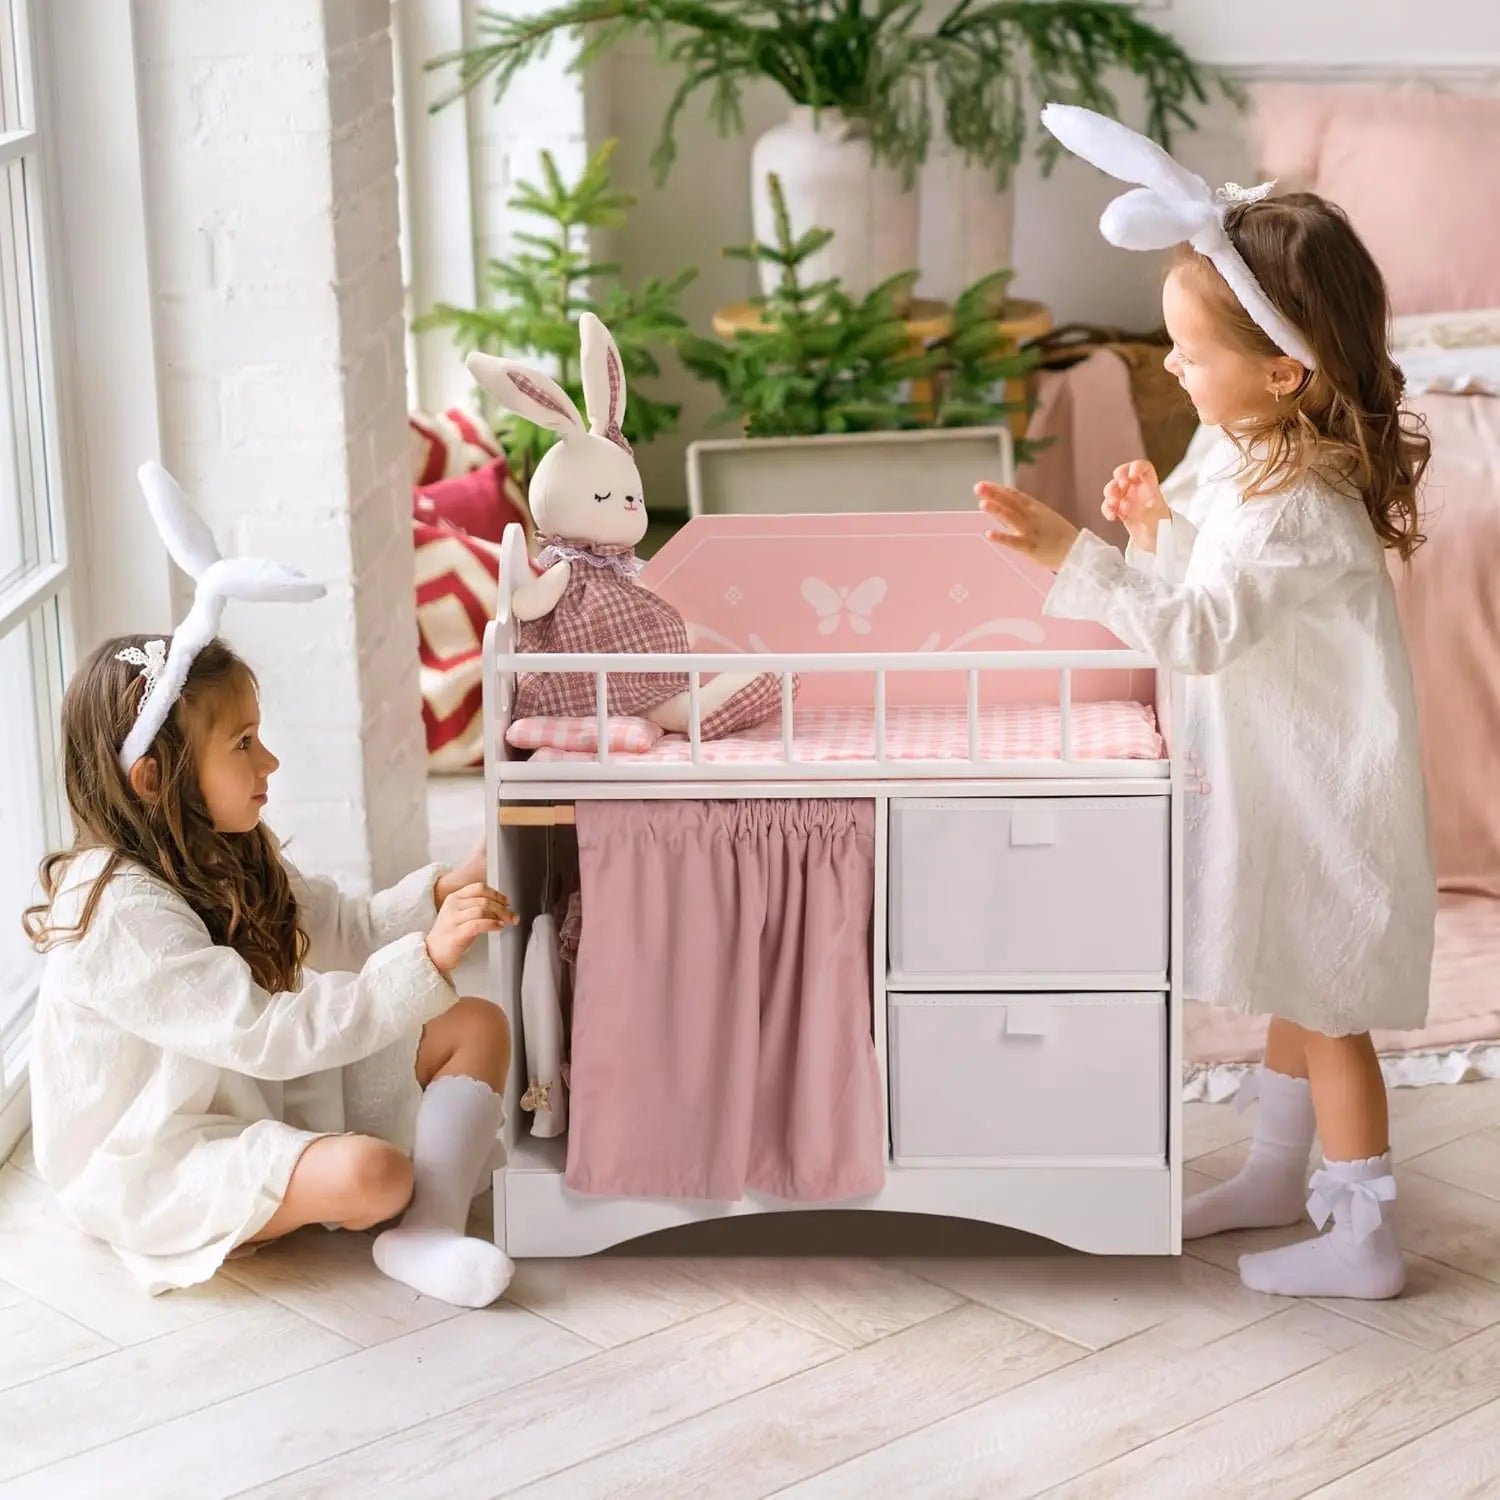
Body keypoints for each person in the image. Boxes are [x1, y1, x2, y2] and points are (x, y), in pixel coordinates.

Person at [974, 106, 1434, 1299]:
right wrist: (1159, 527)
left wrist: (1074, 557)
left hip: (1329, 799)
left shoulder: (1299, 504)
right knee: (1296, 978)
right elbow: (1215, 592)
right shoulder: (1245, 460)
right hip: (1283, 776)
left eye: (1192, 350)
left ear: (1283, 369)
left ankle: (1366, 1236)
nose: (1171, 364)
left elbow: (1204, 630)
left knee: (1328, 1004)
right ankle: (1281, 1178)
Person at [23, 463, 520, 1309]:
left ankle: (428, 1231)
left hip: (257, 1087)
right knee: (372, 1172)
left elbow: (343, 924)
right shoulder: (119, 915)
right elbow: (269, 1035)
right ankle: (376, 1195)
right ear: (155, 780)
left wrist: (443, 894)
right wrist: (423, 962)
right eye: (243, 745)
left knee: (474, 1023)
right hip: (166, 1146)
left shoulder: (226, 848)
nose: (270, 763)